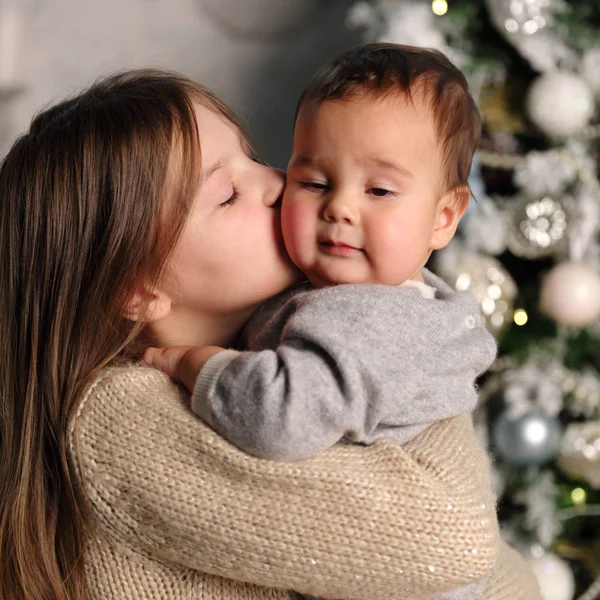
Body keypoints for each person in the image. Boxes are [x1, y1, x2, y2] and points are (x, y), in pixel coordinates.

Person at [0, 69, 540, 600]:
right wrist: (415, 351)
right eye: (228, 193)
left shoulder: (273, 335)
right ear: (138, 290)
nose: (279, 182)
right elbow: (454, 543)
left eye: (254, 158)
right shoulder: (121, 421)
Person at [142, 44, 508, 600]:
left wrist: (195, 363)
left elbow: (282, 419)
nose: (340, 208)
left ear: (443, 218)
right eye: (313, 182)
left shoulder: (371, 317)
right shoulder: (339, 296)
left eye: (379, 191)